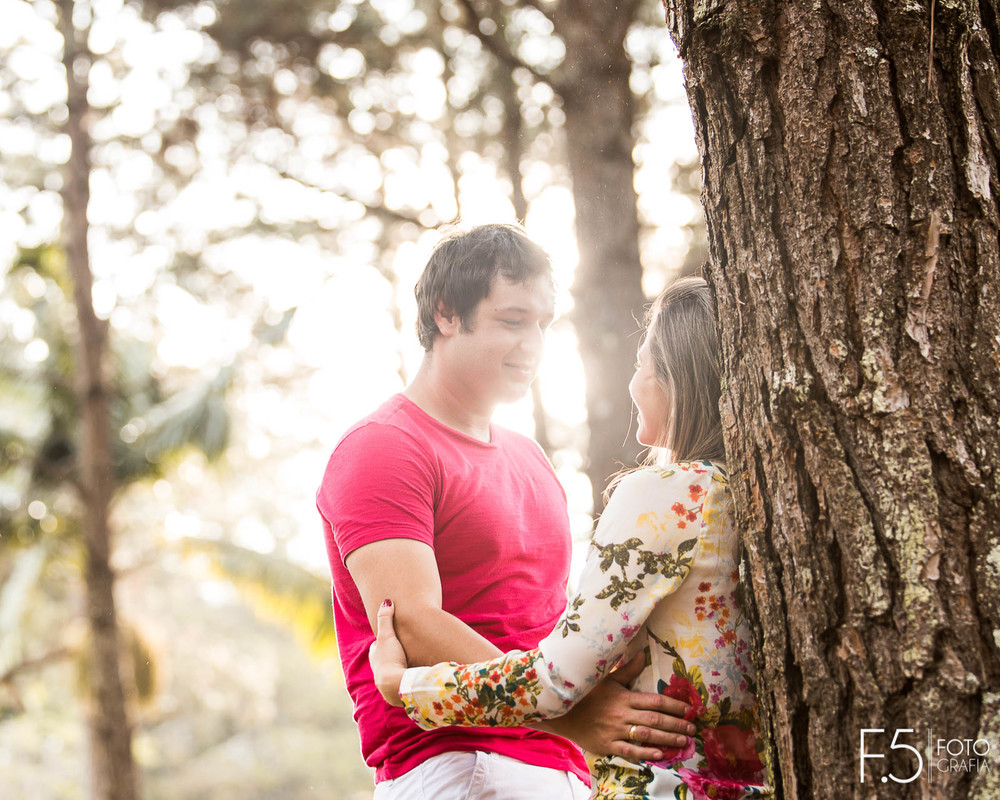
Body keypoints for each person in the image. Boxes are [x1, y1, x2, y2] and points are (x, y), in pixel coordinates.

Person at [319, 225, 695, 799]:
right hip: (458, 763)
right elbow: (413, 623)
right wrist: (571, 715)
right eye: (512, 321)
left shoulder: (530, 458)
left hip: (559, 769)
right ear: (447, 313)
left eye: (544, 324)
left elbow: (545, 623)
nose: (534, 345)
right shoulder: (384, 446)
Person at [369, 276, 770, 799]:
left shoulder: (665, 494)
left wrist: (407, 688)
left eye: (640, 365)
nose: (632, 384)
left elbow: (554, 683)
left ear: (677, 378)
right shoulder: (754, 492)